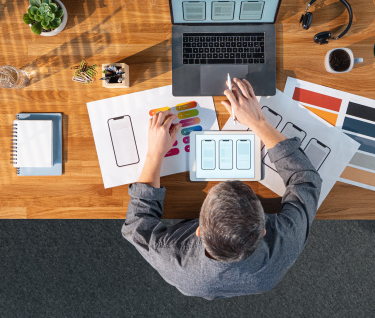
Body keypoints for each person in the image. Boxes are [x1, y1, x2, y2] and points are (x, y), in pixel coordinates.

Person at [122, 78, 322, 299]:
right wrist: (259, 123)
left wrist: (154, 154)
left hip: (197, 283)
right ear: (263, 229)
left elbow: (136, 223)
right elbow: (306, 180)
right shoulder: (285, 246)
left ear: (199, 230)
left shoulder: (172, 261)